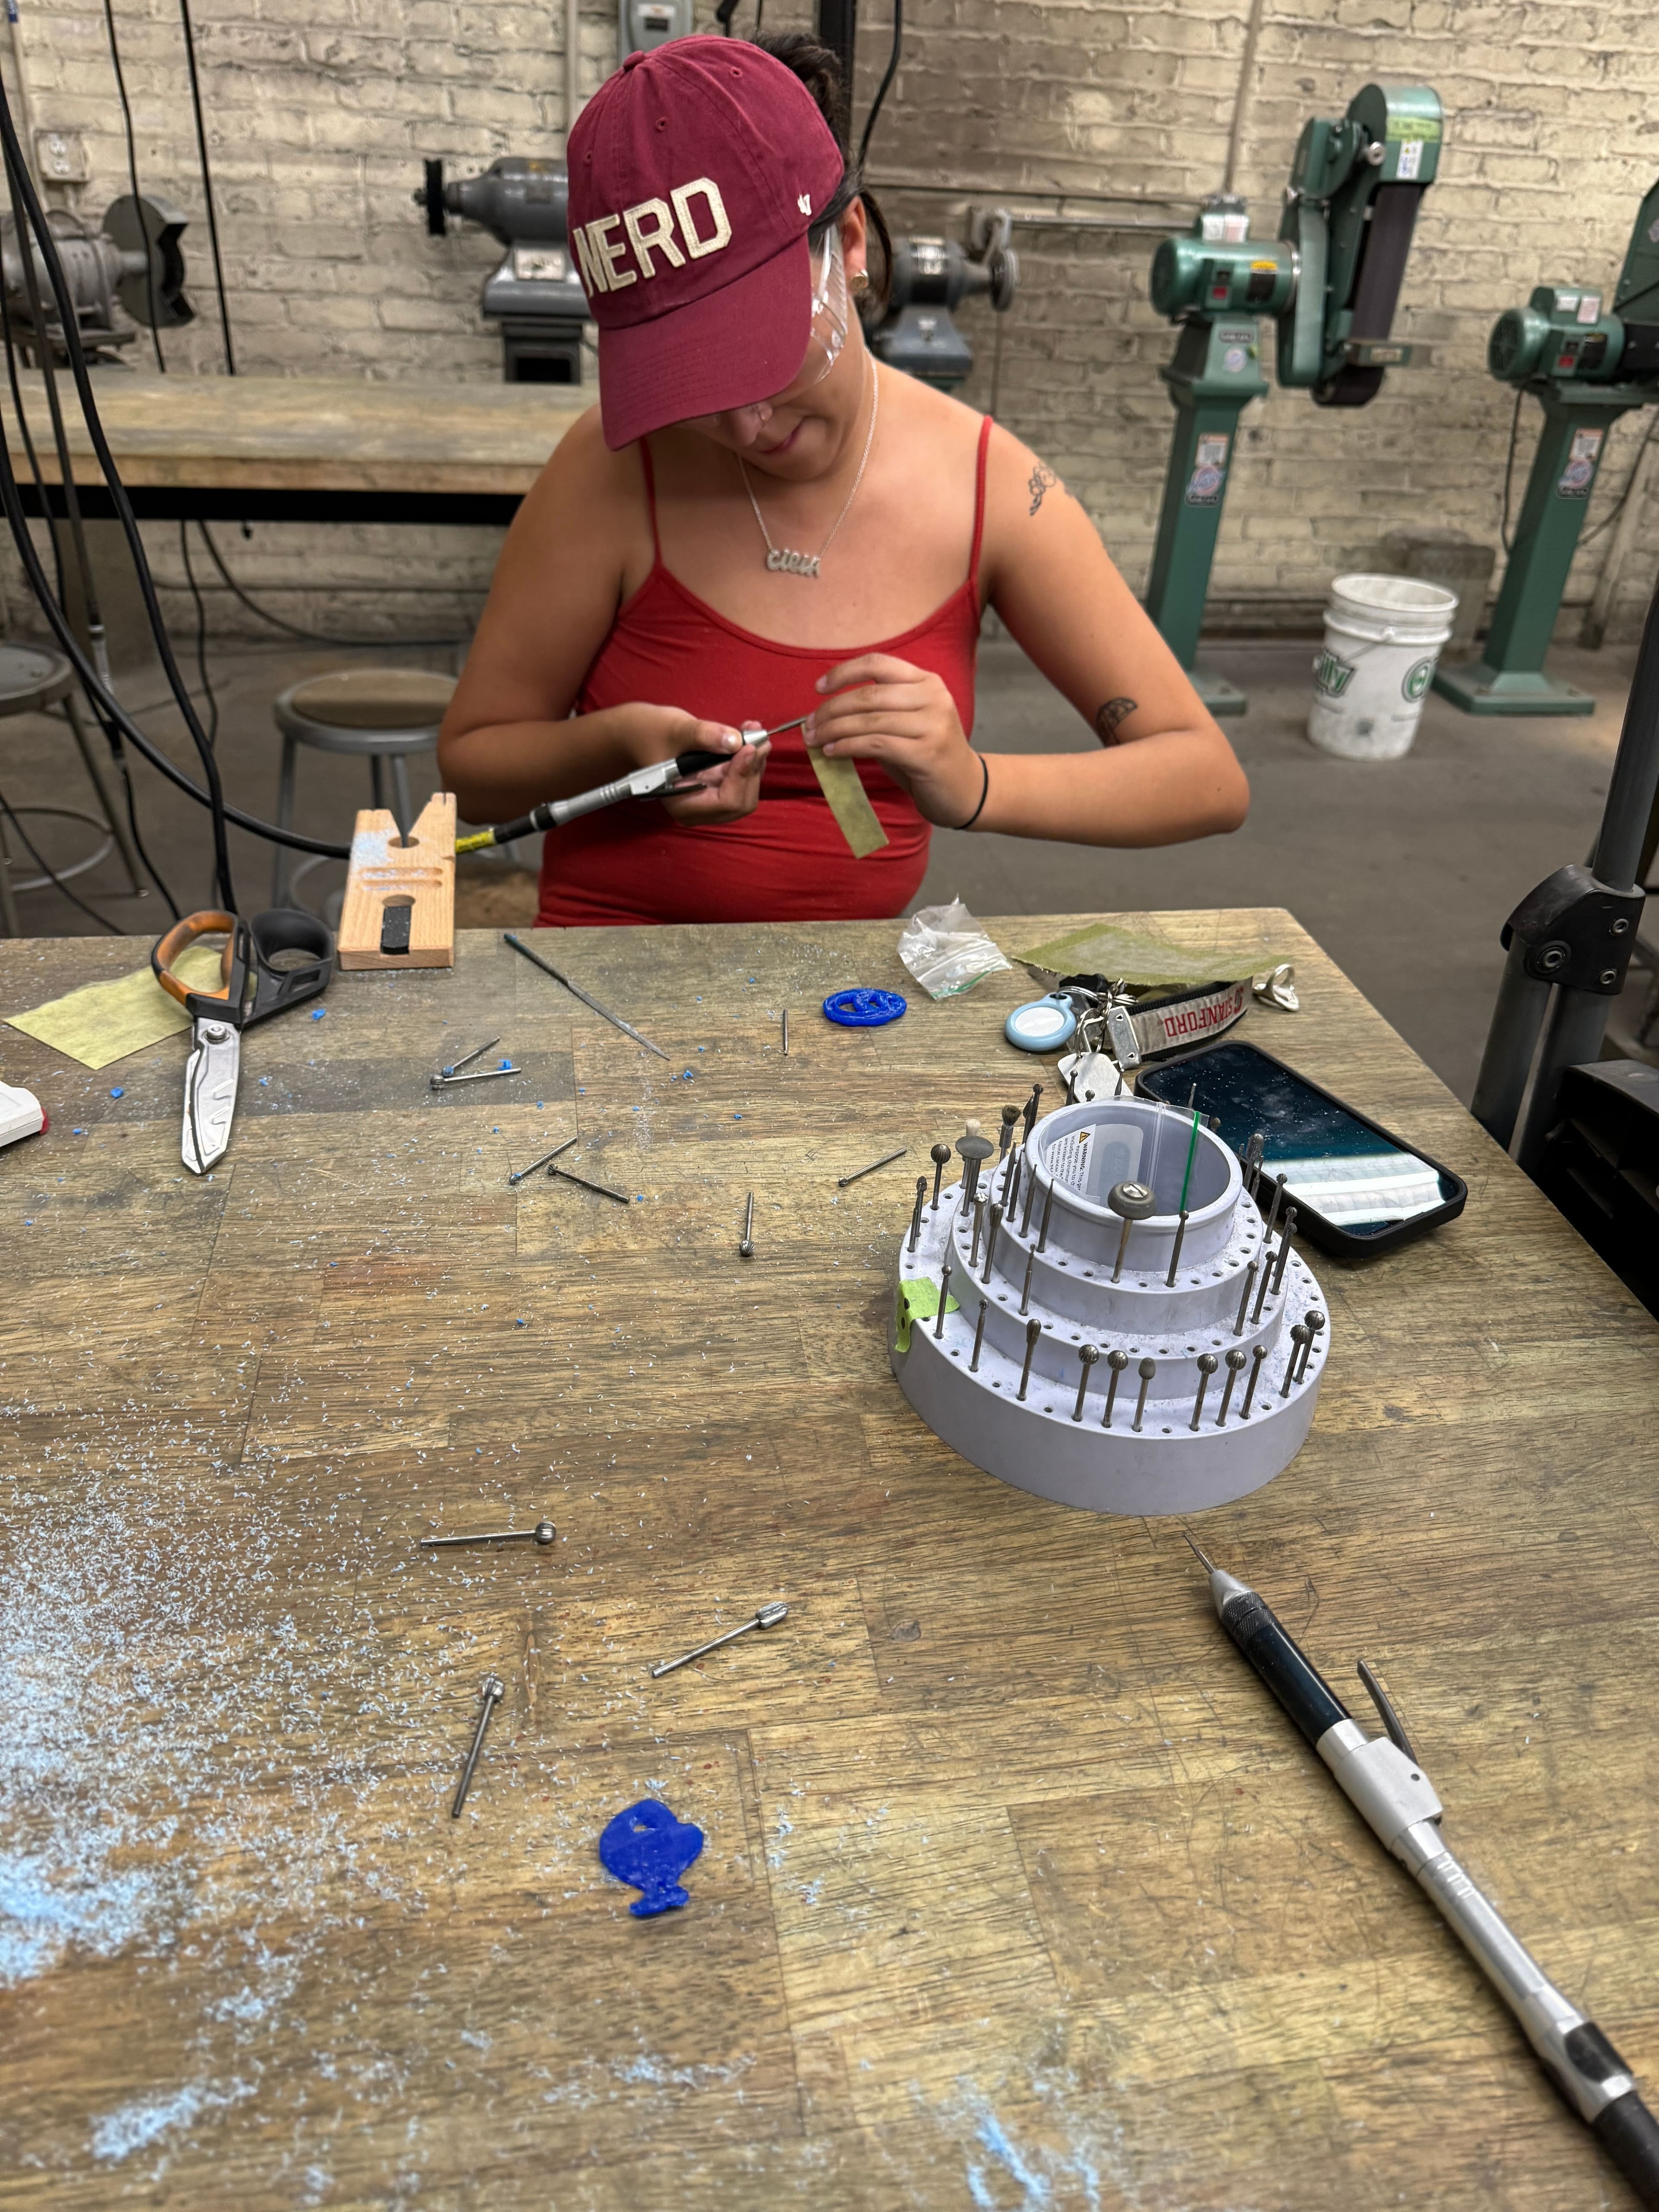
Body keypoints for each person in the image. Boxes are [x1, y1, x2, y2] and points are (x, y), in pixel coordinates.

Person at [437, 32, 1249, 929]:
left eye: (763, 362)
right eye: (690, 389)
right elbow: (473, 771)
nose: (745, 429)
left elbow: (1205, 779)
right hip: (606, 968)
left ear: (850, 244)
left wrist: (975, 784)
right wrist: (621, 746)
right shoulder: (616, 470)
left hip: (852, 994)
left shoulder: (992, 491)